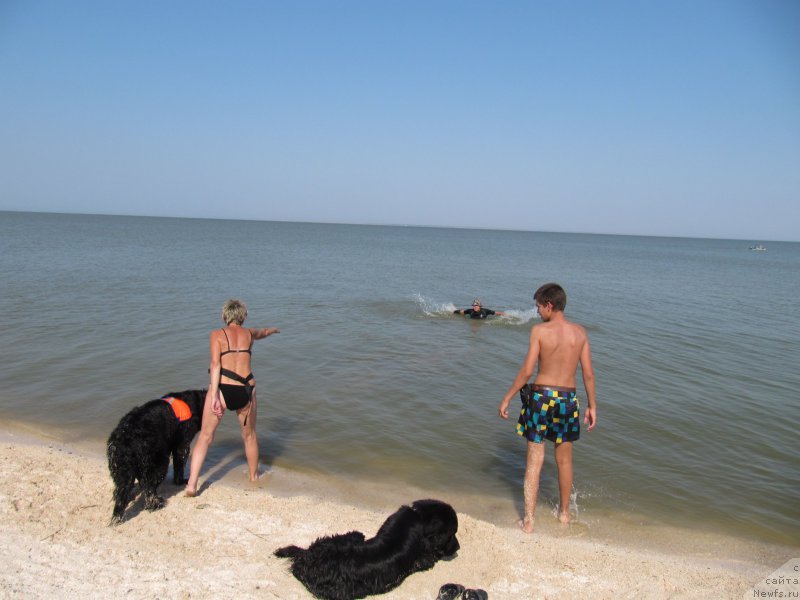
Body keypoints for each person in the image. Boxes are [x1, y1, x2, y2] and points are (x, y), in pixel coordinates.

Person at [497, 283, 596, 533]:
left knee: (534, 460)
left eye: (539, 307)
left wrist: (508, 396)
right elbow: (588, 374)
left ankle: (529, 520)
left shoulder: (539, 331)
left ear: (549, 305)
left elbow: (527, 371)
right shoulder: (580, 333)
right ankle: (564, 514)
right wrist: (592, 406)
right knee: (564, 461)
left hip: (541, 398)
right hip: (568, 399)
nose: (538, 311)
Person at [185, 299, 280, 497]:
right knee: (249, 436)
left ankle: (192, 485)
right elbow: (262, 332)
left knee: (205, 436)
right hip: (246, 388)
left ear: (224, 316)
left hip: (222, 389)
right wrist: (272, 330)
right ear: (243, 316)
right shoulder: (249, 334)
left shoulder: (216, 335)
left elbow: (215, 364)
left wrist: (213, 397)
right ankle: (254, 478)